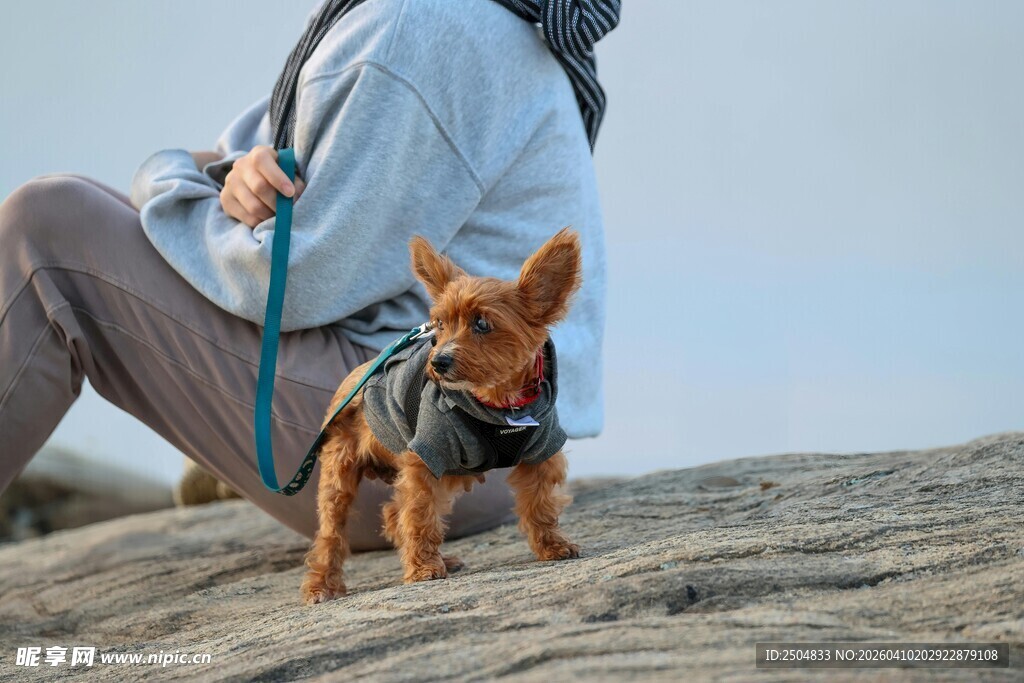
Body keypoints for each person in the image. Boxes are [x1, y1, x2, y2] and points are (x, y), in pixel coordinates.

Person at [0, 0, 619, 550]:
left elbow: (286, 283)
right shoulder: (456, 17)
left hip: (429, 441)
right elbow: (243, 155)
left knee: (46, 227)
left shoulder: (420, 25)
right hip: (501, 440)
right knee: (91, 213)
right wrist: (232, 180)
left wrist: (163, 176)